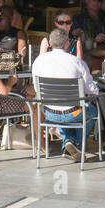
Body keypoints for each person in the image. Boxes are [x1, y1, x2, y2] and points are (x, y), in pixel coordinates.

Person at [33, 28, 100, 162]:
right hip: (73, 113)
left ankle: (69, 142)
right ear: (67, 43)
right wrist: (97, 86)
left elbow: (36, 88)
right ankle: (77, 145)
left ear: (50, 43)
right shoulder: (77, 62)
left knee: (65, 110)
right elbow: (92, 91)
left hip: (49, 113)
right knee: (93, 110)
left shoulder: (38, 62)